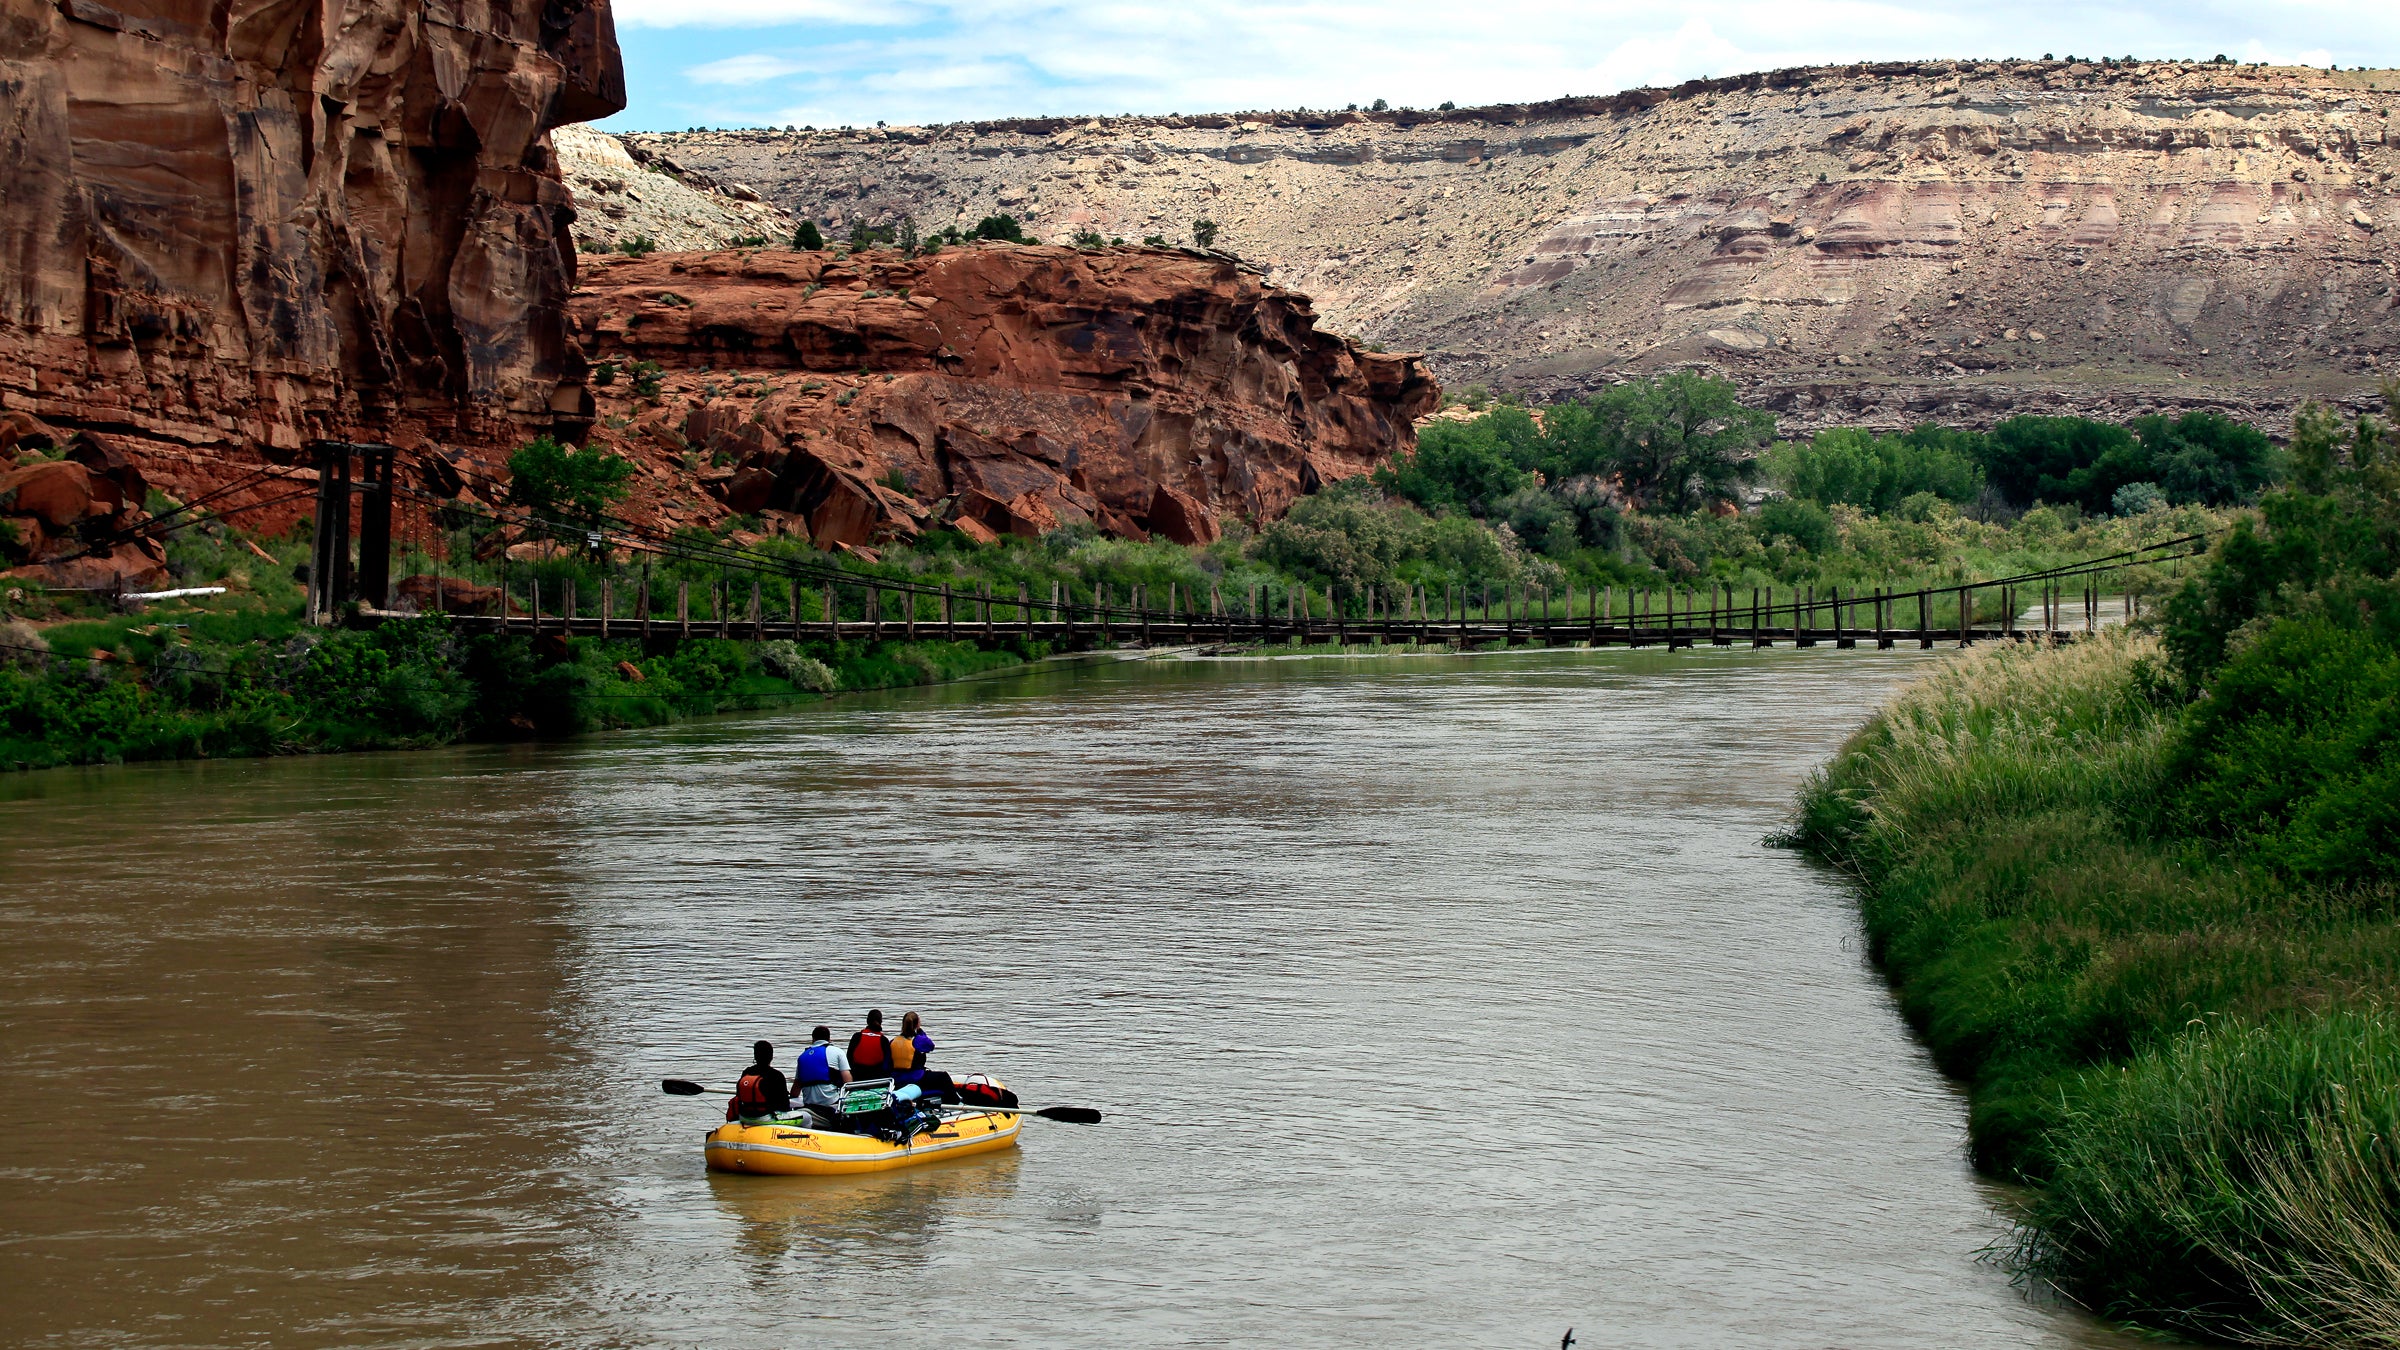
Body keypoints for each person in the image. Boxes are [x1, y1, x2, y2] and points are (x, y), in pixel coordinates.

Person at [729, 1040, 793, 1123]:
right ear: (771, 1057)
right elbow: (785, 1106)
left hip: (744, 1117)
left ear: (755, 1056)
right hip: (765, 1118)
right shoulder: (776, 1075)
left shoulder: (746, 1073)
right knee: (806, 1117)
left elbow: (739, 1096)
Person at [792, 1025, 851, 1110]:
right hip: (831, 1102)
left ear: (813, 1039)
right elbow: (847, 1082)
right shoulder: (837, 1051)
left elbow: (795, 1091)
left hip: (809, 1104)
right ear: (829, 1039)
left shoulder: (802, 1056)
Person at [847, 1009, 894, 1083]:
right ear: (881, 1022)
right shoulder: (884, 1040)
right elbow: (888, 1064)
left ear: (867, 1021)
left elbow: (849, 1057)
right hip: (876, 1080)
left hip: (857, 1078)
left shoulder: (856, 1036)